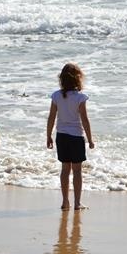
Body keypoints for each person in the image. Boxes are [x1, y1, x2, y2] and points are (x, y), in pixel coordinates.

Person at [46, 63, 94, 210]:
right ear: (78, 79)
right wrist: (90, 139)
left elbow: (51, 118)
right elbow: (84, 120)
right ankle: (77, 203)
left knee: (65, 170)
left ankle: (65, 201)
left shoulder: (56, 96)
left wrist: (49, 136)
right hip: (76, 137)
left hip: (61, 136)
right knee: (77, 171)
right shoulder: (80, 97)